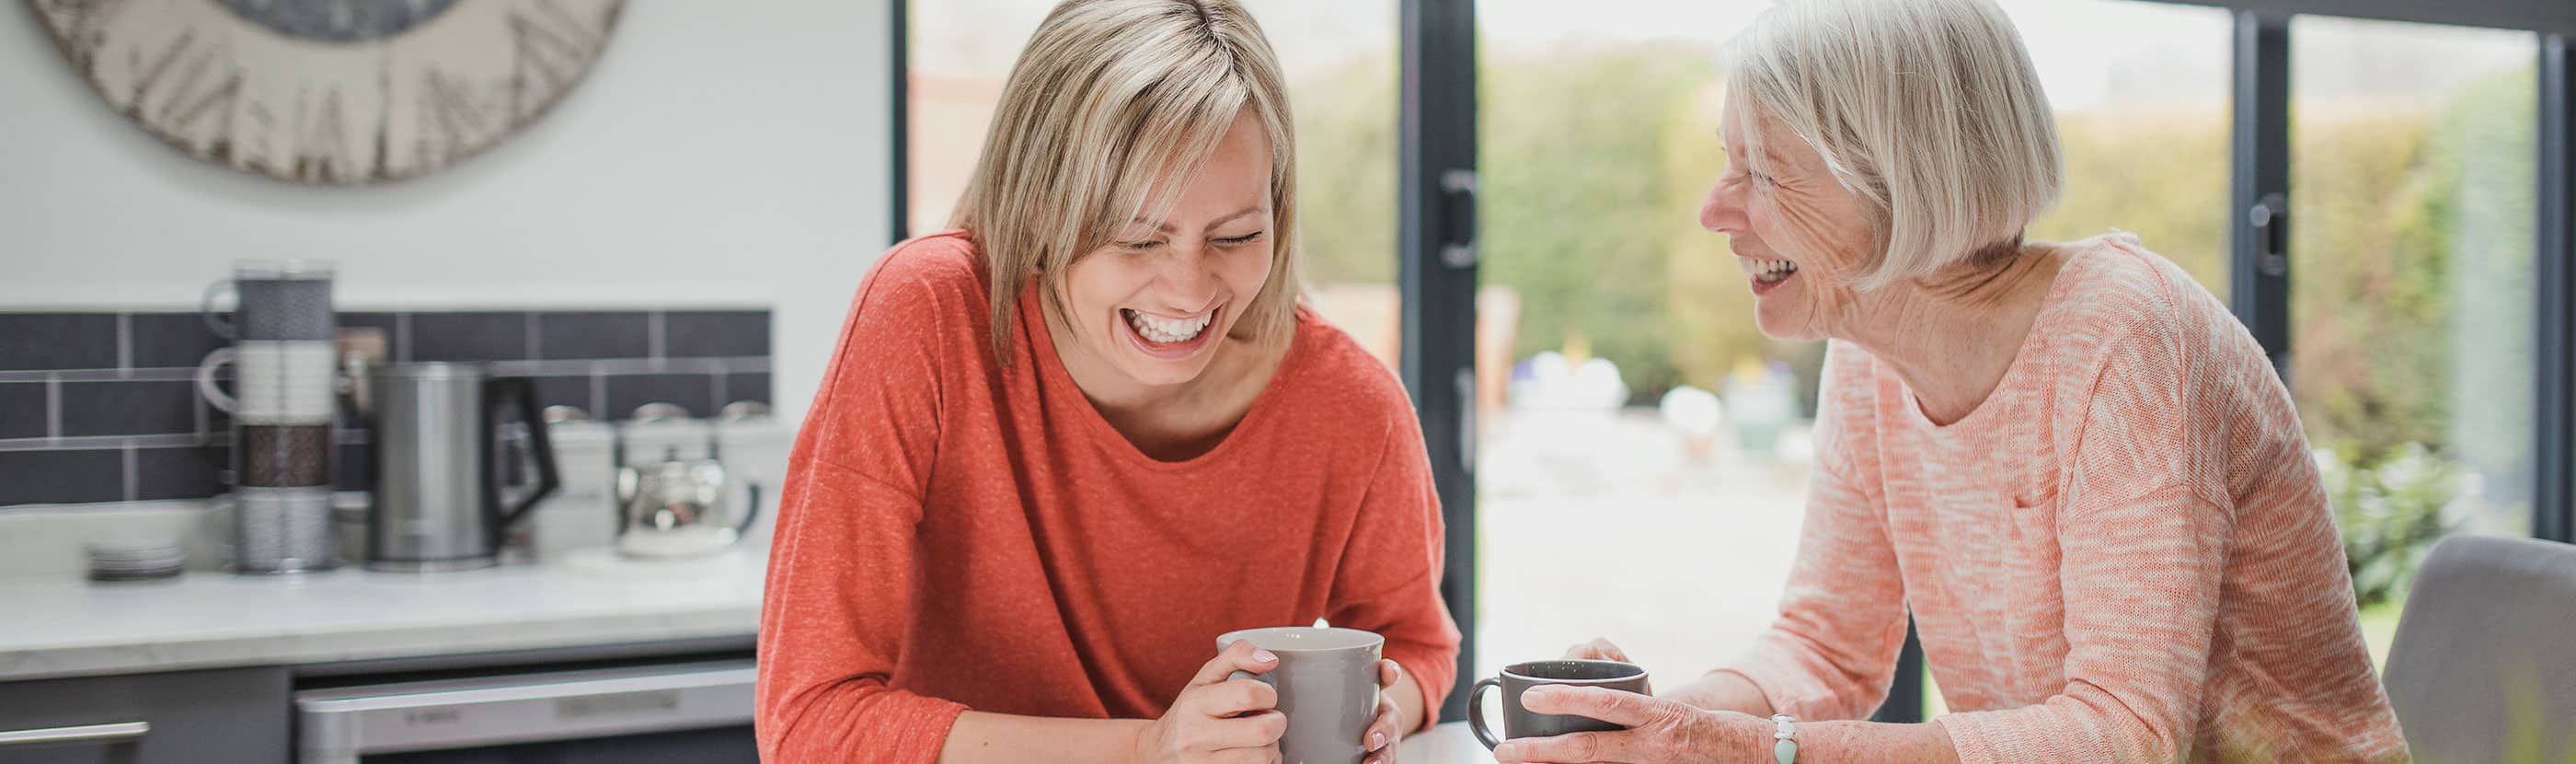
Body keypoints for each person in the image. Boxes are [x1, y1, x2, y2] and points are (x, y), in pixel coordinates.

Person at [1497, 0, 2409, 761]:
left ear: (1896, 178)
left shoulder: (2124, 337)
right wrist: (1658, 726)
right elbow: (1826, 646)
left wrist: (1747, 744)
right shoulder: (1865, 348)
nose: (1713, 209)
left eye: (1763, 171)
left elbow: (2124, 732)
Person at [754, 2, 1460, 761]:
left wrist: (1379, 711)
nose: (1191, 292)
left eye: (1237, 235)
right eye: (1136, 237)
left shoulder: (1351, 406)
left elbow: (1420, 645)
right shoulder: (925, 314)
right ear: (1037, 208)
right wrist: (1145, 748)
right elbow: (809, 724)